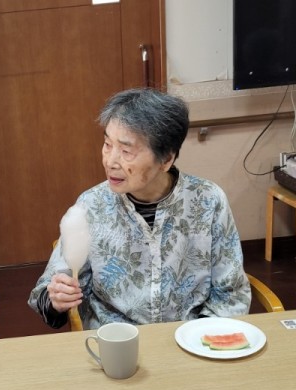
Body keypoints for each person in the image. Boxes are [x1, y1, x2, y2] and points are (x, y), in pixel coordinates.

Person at [28, 88, 251, 329]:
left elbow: (230, 293)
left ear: (166, 159)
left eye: (126, 151)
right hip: (114, 339)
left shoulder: (208, 201)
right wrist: (56, 299)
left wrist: (200, 338)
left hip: (188, 336)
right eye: (107, 144)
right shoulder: (91, 205)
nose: (110, 161)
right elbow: (47, 291)